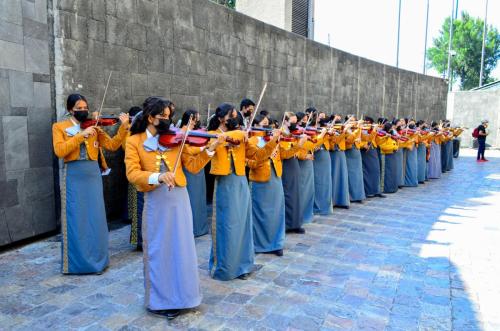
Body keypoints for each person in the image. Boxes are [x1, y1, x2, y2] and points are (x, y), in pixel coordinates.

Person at [125, 97, 223, 319]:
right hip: (156, 202)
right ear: (151, 118)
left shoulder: (175, 139)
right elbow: (132, 174)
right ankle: (161, 301)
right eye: (164, 117)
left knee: (181, 247)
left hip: (179, 199)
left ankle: (185, 297)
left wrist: (209, 150)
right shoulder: (134, 141)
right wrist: (158, 176)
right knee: (159, 249)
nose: (169, 121)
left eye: (170, 116)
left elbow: (194, 166)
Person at [52, 93, 129, 275]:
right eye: (79, 108)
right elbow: (60, 150)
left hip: (93, 175)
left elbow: (112, 145)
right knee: (76, 217)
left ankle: (98, 260)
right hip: (75, 175)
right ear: (71, 109)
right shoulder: (59, 127)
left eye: (85, 107)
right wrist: (81, 135)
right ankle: (77, 263)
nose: (83, 111)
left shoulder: (93, 127)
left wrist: (123, 127)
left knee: (95, 217)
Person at [207, 103, 276, 281]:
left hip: (240, 182)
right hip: (224, 183)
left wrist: (273, 141)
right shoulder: (211, 135)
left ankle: (243, 264)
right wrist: (239, 134)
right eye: (232, 116)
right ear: (222, 118)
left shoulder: (242, 137)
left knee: (242, 223)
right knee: (226, 224)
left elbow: (257, 155)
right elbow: (216, 140)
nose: (235, 119)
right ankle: (225, 267)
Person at [247, 114, 300, 256]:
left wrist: (298, 146)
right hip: (260, 179)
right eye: (263, 125)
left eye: (268, 125)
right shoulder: (251, 140)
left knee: (277, 211)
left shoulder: (272, 138)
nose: (267, 128)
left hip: (275, 177)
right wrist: (273, 140)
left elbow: (284, 154)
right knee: (261, 212)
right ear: (255, 125)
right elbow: (257, 159)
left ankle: (276, 243)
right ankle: (259, 244)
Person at [180, 109, 209, 237]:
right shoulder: (181, 131)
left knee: (200, 196)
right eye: (194, 119)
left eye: (197, 119)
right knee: (192, 197)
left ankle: (201, 226)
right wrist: (202, 148)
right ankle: (193, 228)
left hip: (199, 165)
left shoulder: (196, 131)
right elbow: (186, 150)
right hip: (188, 166)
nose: (196, 121)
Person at [281, 112, 310, 232]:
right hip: (286, 165)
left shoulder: (292, 134)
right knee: (288, 194)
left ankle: (296, 223)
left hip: (294, 164)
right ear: (285, 121)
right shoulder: (281, 134)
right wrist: (299, 145)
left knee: (297, 194)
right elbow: (286, 154)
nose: (295, 124)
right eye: (292, 122)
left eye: (295, 122)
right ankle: (288, 224)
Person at [124, 106, 145, 251]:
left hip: (151, 178)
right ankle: (139, 240)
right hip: (137, 176)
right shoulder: (132, 138)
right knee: (138, 208)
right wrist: (125, 127)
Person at [360, 117, 385, 198]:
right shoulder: (362, 130)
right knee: (368, 172)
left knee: (376, 171)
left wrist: (385, 137)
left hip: (374, 150)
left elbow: (378, 141)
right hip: (366, 151)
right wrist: (374, 130)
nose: (368, 124)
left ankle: (377, 190)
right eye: (366, 122)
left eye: (369, 122)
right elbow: (368, 138)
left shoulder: (372, 130)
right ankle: (369, 191)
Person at [313, 114, 334, 214]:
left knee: (326, 181)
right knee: (318, 181)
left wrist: (327, 134)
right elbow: (314, 144)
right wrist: (323, 134)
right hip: (317, 157)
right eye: (317, 116)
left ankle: (326, 205)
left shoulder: (323, 128)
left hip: (325, 155)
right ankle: (318, 206)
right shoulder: (311, 129)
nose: (319, 118)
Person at [329, 115, 350, 208]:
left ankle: (343, 200)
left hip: (341, 154)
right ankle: (333, 200)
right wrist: (343, 132)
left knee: (342, 177)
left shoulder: (341, 130)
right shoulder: (331, 132)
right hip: (334, 154)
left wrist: (345, 131)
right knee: (335, 176)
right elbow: (335, 141)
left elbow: (349, 139)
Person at [344, 116, 366, 203]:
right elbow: (348, 140)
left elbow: (363, 139)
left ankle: (358, 195)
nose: (353, 123)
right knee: (351, 174)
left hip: (356, 152)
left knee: (358, 174)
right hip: (349, 152)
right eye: (351, 121)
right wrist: (357, 130)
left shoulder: (355, 129)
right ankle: (351, 196)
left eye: (354, 121)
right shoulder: (345, 129)